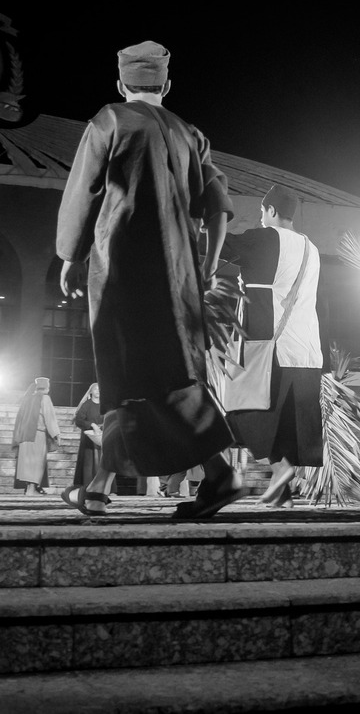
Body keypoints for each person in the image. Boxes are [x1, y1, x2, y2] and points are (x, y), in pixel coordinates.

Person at [55, 40, 240, 519]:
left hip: (122, 271)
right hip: (180, 278)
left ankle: (219, 472)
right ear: (167, 85)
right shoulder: (189, 133)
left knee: (126, 374)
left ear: (120, 84)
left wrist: (70, 255)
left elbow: (83, 192)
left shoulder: (110, 120)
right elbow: (219, 207)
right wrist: (209, 265)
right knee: (166, 372)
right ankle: (99, 486)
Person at [217, 184, 324, 508]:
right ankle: (283, 493)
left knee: (240, 408)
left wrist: (205, 215)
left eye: (263, 212)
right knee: (286, 421)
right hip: (304, 349)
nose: (261, 218)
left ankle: (280, 468)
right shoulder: (311, 248)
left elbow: (221, 245)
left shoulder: (265, 237)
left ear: (272, 211)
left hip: (267, 344)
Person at [12, 377, 60, 494]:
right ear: (47, 387)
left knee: (27, 463)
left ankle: (29, 488)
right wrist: (56, 434)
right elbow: (49, 417)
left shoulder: (27, 399)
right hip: (37, 434)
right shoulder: (45, 398)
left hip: (24, 436)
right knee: (36, 462)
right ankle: (31, 489)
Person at [71, 383, 102, 489]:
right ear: (91, 392)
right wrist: (92, 425)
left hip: (102, 438)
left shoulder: (104, 406)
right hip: (88, 439)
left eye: (99, 389)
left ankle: (104, 487)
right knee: (89, 463)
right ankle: (88, 486)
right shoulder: (87, 405)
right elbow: (79, 420)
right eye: (95, 389)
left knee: (103, 462)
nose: (98, 391)